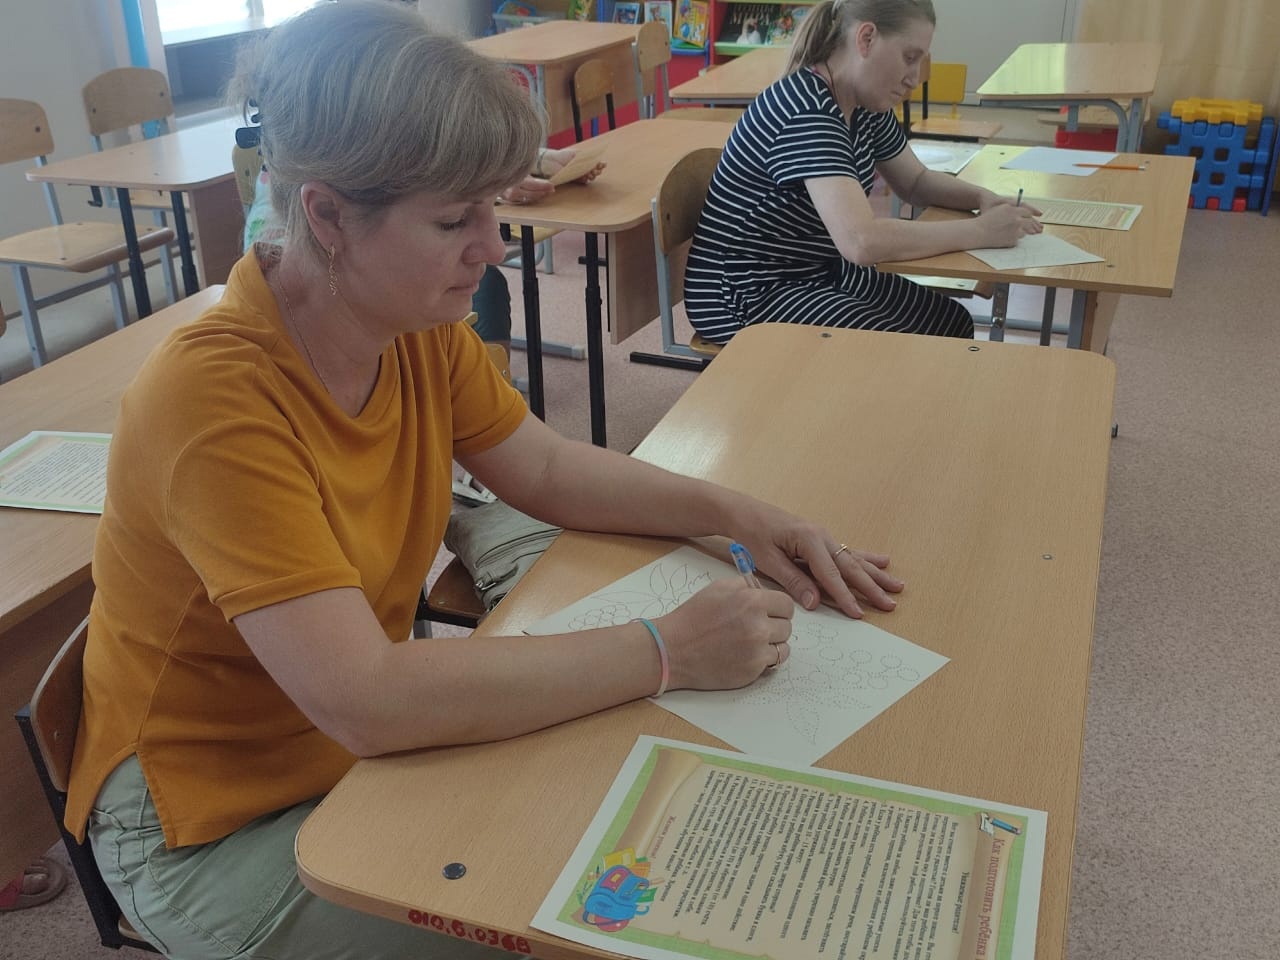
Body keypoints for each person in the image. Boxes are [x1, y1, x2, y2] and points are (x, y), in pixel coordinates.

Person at [62, 4, 902, 959]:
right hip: (207, 825)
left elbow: (543, 466)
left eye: (492, 207)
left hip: (336, 743)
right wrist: (666, 649)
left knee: (620, 836)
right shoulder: (213, 397)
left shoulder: (409, 324)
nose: (495, 248)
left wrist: (741, 514)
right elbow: (367, 698)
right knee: (573, 916)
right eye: (453, 220)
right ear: (327, 217)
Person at [683, 0, 1043, 345]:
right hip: (745, 292)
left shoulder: (865, 105)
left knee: (950, 323)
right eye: (909, 58)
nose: (914, 78)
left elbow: (915, 181)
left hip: (815, 269)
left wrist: (982, 198)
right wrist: (980, 231)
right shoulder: (807, 112)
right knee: (893, 350)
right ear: (866, 38)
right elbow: (861, 241)